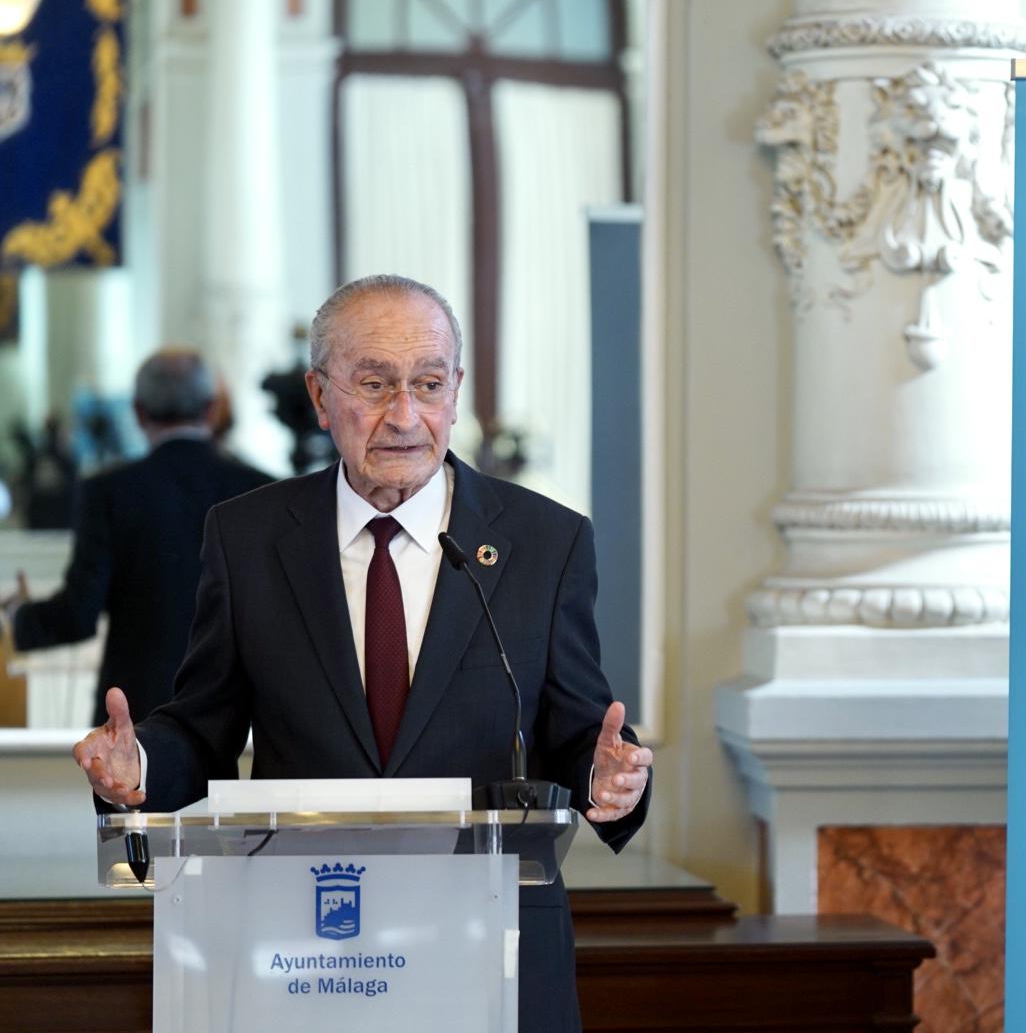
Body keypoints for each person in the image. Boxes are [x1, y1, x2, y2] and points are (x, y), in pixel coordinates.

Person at [71, 275, 651, 1033]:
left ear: (456, 390)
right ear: (320, 395)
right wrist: (140, 765)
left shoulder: (546, 541)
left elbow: (578, 731)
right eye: (374, 384)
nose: (404, 416)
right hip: (307, 947)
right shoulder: (247, 538)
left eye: (428, 384)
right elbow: (204, 725)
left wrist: (608, 779)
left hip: (490, 946)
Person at [1, 350, 272, 725]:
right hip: (239, 715)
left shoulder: (108, 492)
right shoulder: (262, 489)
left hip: (136, 716)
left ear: (138, 412)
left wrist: (19, 617)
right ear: (211, 409)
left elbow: (79, 613)